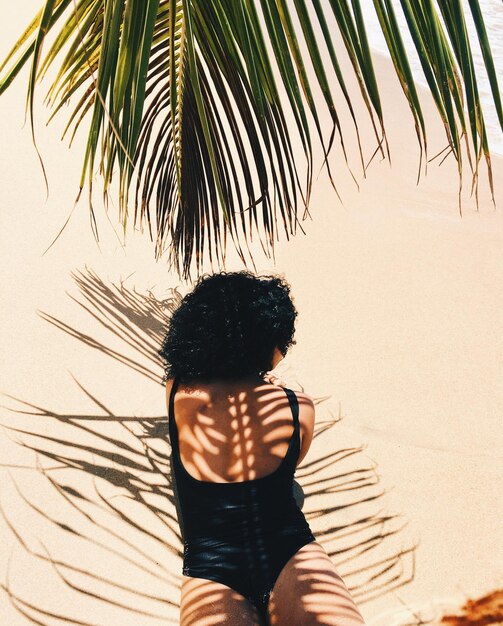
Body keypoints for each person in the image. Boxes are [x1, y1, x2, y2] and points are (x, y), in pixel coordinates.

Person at [159, 270, 366, 625]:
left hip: (210, 566)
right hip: (289, 550)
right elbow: (290, 465)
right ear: (266, 342)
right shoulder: (296, 406)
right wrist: (278, 386)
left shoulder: (177, 390)